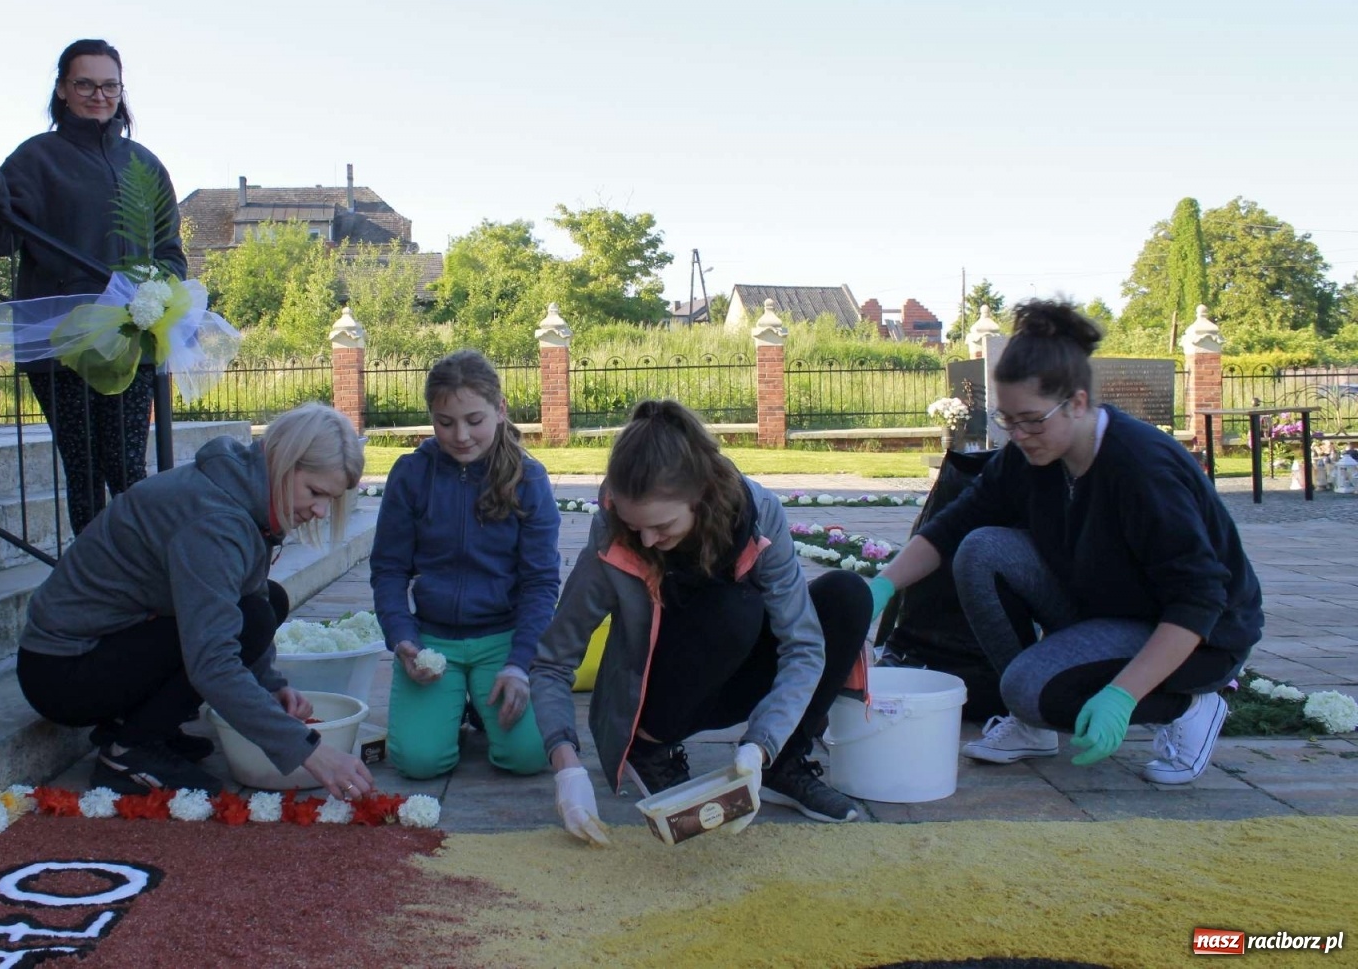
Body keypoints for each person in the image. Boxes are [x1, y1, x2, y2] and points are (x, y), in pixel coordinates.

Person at [871, 301, 1264, 785]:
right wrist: (880, 588)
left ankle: (1190, 706)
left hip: (1199, 636)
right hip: (1105, 604)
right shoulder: (1030, 455)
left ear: (1077, 403)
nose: (1019, 435)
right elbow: (951, 527)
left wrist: (1123, 693)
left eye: (1031, 419)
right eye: (1007, 419)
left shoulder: (1142, 470)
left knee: (1028, 688)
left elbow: (1200, 600)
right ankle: (1032, 725)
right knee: (980, 548)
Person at [531, 400, 873, 844]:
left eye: (661, 526)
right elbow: (553, 662)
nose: (646, 540)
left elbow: (803, 645)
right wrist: (567, 768)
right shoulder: (615, 531)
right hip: (656, 695)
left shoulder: (758, 514)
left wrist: (762, 745)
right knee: (735, 610)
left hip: (731, 664)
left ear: (701, 493)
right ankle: (650, 747)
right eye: (636, 526)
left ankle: (782, 764)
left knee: (846, 596)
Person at [15, 402, 374, 800]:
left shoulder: (243, 493)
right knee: (251, 620)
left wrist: (270, 686)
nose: (321, 511)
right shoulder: (215, 520)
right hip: (62, 672)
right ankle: (129, 752)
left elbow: (249, 594)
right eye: (315, 492)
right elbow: (212, 663)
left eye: (330, 499)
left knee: (265, 604)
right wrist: (311, 752)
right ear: (283, 462)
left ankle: (148, 728)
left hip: (101, 647)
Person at [0, 38, 187, 535]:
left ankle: (139, 568)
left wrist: (155, 293)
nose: (98, 95)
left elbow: (171, 251)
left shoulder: (145, 165)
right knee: (83, 471)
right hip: (60, 343)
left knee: (126, 468)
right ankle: (94, 576)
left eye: (109, 86)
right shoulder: (37, 159)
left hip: (131, 342)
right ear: (62, 89)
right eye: (85, 84)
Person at [371, 350, 561, 779]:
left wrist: (520, 663)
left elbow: (541, 583)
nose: (460, 436)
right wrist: (403, 639)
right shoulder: (411, 474)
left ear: (500, 409)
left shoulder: (529, 479)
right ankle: (453, 704)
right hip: (433, 640)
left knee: (530, 756)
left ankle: (478, 702)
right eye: (445, 422)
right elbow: (388, 569)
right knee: (419, 762)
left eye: (474, 421)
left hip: (504, 637)